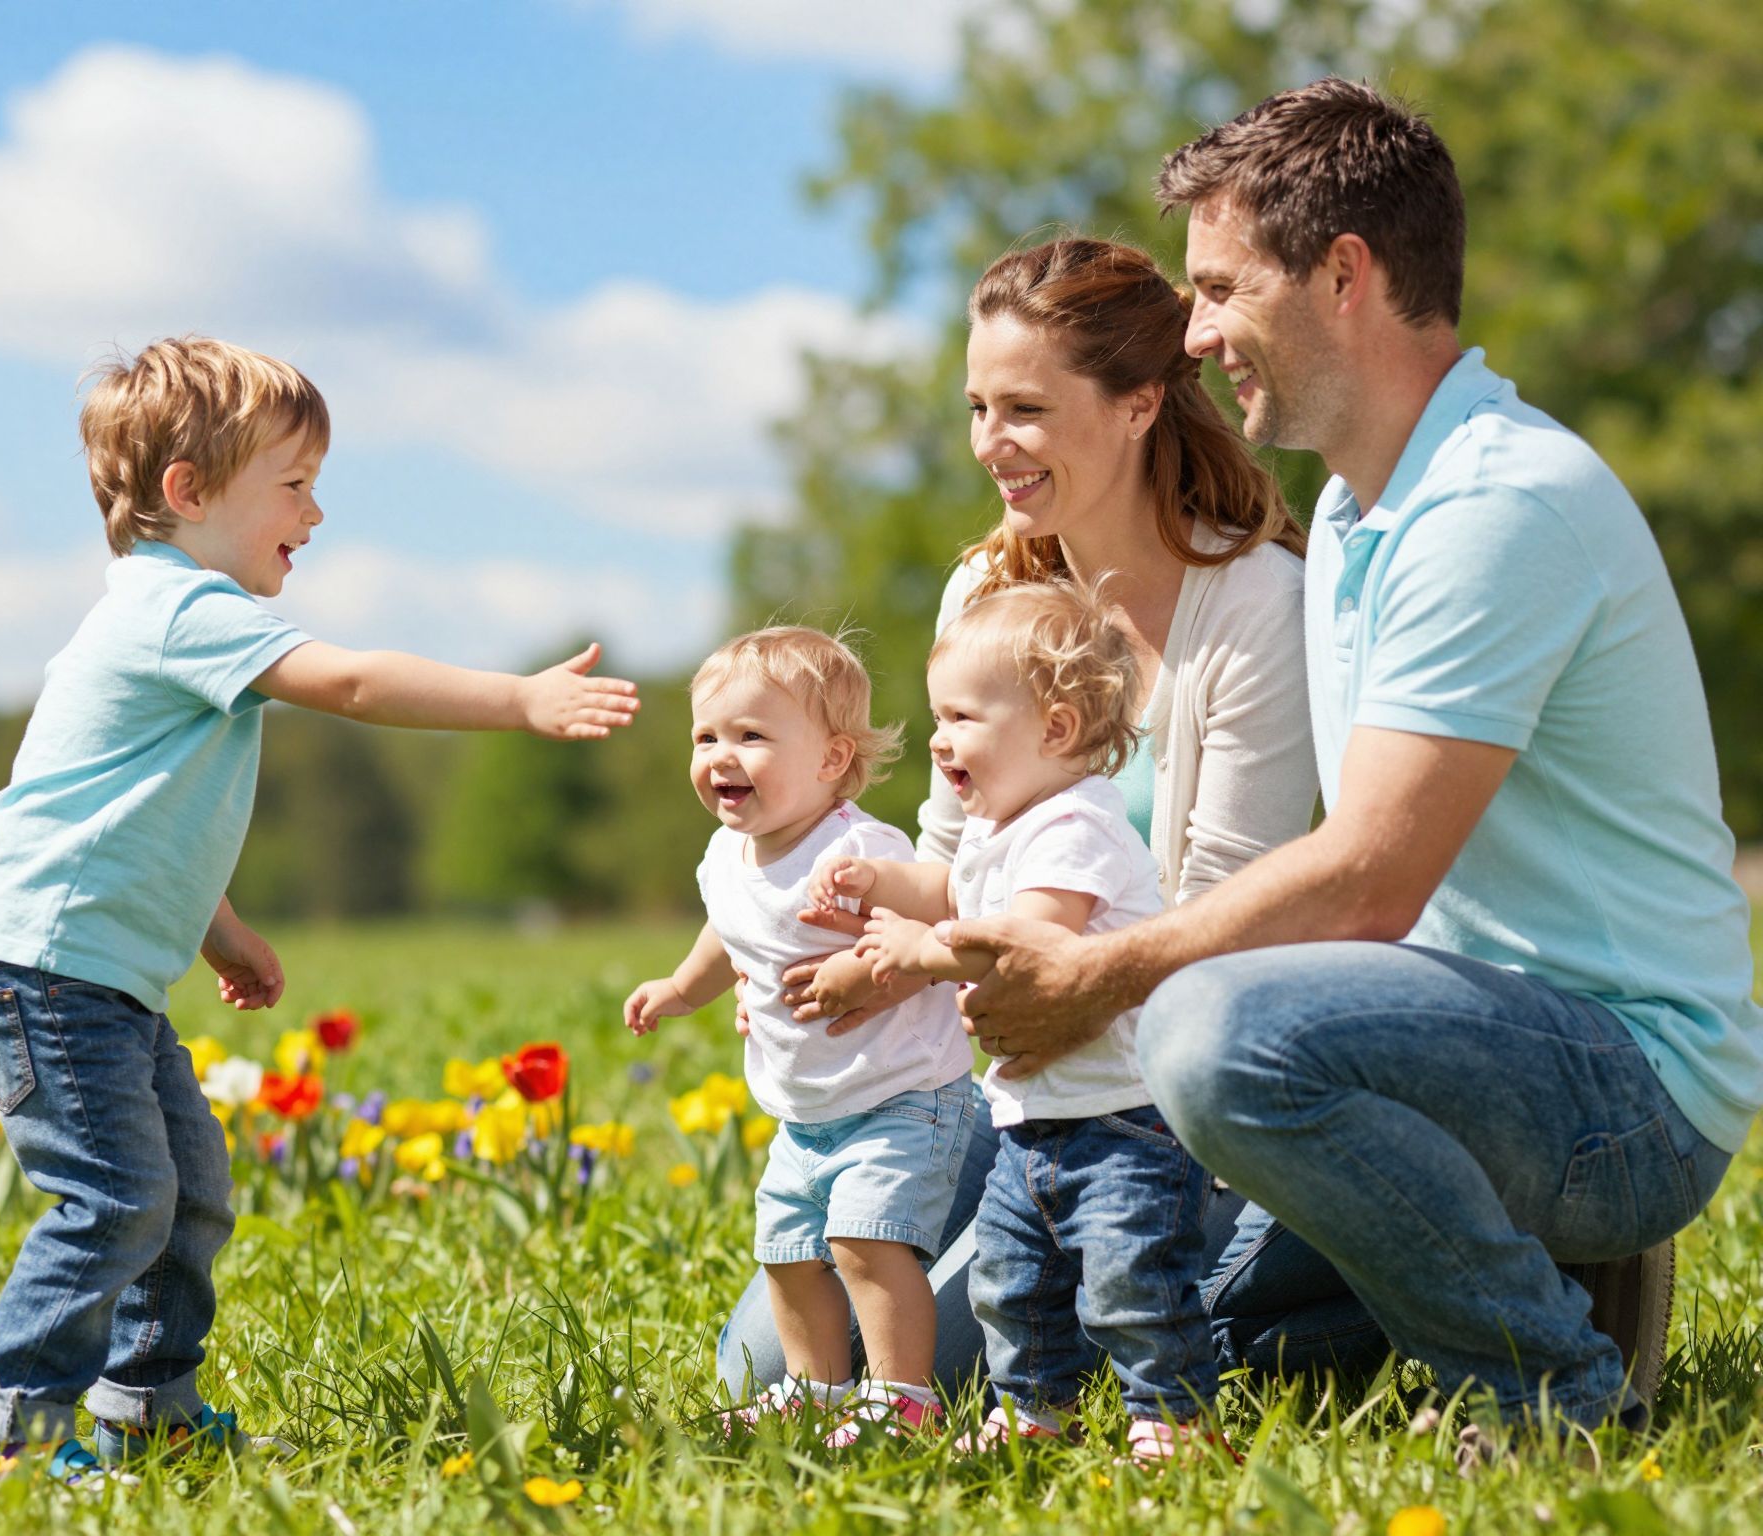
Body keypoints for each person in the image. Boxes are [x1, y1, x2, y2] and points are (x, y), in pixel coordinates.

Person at [944, 79, 1761, 1445]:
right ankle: (1540, 1272)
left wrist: (1104, 970)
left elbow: (1373, 876)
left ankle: (1552, 1384)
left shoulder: (1495, 503)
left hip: (1624, 1085)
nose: (1196, 336)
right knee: (1138, 1305)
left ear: (1343, 274)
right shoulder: (1358, 512)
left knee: (1215, 1037)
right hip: (1451, 1046)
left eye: (1218, 289)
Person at [0, 336, 638, 1484]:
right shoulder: (181, 608)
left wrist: (224, 930)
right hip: (44, 969)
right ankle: (6, 1435)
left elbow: (128, 821)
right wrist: (518, 698)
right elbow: (352, 683)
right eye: (294, 483)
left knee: (187, 1192)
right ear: (188, 493)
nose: (315, 514)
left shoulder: (172, 617)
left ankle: (145, 1404)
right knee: (117, 1199)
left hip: (83, 967)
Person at [717, 235, 1320, 1401]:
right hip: (986, 1078)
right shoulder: (984, 595)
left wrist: (1020, 987)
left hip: (1150, 1099)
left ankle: (1262, 1291)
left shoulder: (1254, 606)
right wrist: (815, 948)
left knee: (975, 1365)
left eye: (1027, 410)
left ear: (1140, 403)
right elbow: (945, 859)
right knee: (773, 1370)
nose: (992, 443)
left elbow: (1218, 921)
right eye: (978, 407)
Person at [814, 581, 1228, 1461]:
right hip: (1033, 1120)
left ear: (1056, 730)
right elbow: (947, 889)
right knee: (1012, 1281)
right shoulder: (1000, 827)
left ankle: (1174, 1421)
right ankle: (1037, 1411)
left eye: (961, 717)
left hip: (1126, 1122)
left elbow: (1031, 943)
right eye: (937, 715)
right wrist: (873, 883)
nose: (937, 738)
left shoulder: (1074, 825)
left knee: (1132, 1282)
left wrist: (919, 953)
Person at [624, 627, 974, 1441]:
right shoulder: (728, 854)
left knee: (866, 1245)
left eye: (751, 735)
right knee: (787, 1251)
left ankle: (902, 1398)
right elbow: (728, 931)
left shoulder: (856, 853)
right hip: (806, 1114)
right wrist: (682, 988)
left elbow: (935, 931)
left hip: (902, 1097)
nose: (720, 755)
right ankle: (817, 1391)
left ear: (829, 760)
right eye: (706, 736)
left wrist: (872, 969)